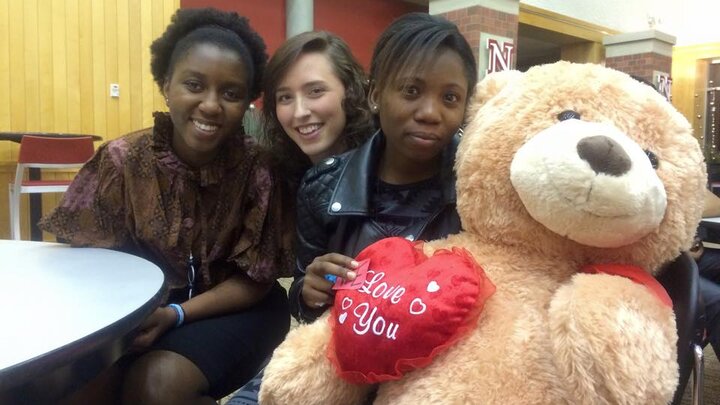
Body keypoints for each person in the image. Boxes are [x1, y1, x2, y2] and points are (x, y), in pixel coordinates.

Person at [40, 8, 293, 404]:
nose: (211, 105)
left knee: (156, 386)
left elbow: (255, 281)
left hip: (238, 310)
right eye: (194, 84)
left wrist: (176, 315)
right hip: (134, 312)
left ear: (247, 101)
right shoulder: (121, 162)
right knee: (71, 385)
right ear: (165, 84)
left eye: (230, 93)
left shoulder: (259, 170)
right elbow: (84, 265)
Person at [288, 12, 478, 324]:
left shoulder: (479, 189)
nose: (431, 113)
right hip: (354, 355)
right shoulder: (323, 186)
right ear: (376, 95)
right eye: (411, 91)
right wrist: (308, 292)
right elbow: (302, 294)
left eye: (449, 97)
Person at [226, 30, 373, 405]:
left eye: (315, 91)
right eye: (285, 98)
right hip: (320, 344)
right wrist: (307, 290)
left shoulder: (387, 164)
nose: (300, 111)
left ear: (350, 92)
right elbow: (303, 294)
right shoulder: (290, 175)